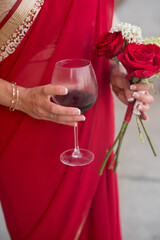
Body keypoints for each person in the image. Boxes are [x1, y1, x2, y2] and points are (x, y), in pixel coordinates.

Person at [0, 0, 154, 239]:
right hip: (19, 128)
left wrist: (116, 68)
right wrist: (22, 99)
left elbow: (99, 16)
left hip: (90, 115)